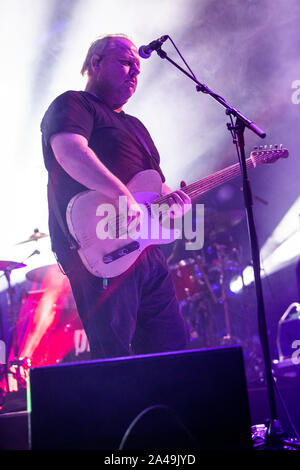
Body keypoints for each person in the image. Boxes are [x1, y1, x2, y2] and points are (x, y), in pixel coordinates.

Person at [41, 34, 191, 359]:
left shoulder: (136, 126)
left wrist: (176, 202)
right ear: (95, 63)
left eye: (138, 68)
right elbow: (69, 152)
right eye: (126, 63)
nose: (134, 73)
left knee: (173, 352)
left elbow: (156, 188)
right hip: (101, 246)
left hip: (145, 251)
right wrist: (121, 194)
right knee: (116, 358)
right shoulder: (74, 104)